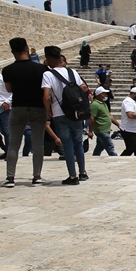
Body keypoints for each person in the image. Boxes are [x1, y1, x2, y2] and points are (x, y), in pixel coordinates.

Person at [3, 38, 50, 186]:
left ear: (12, 51)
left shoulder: (8, 70)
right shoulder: (41, 69)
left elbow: (9, 89)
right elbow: (45, 91)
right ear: (27, 49)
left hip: (18, 107)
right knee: (37, 144)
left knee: (13, 144)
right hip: (37, 108)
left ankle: (10, 178)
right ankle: (37, 176)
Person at [42, 46, 89, 185]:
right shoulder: (72, 72)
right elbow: (84, 88)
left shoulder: (48, 75)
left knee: (67, 145)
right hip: (76, 112)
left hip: (59, 113)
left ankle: (72, 176)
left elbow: (45, 96)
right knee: (78, 143)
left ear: (49, 59)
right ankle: (83, 172)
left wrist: (48, 110)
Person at [89, 87, 120, 156]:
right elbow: (92, 118)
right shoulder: (95, 105)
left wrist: (118, 124)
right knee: (109, 146)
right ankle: (115, 157)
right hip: (101, 130)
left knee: (100, 146)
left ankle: (95, 156)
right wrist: (90, 131)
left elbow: (109, 115)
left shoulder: (103, 104)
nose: (106, 95)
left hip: (106, 129)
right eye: (104, 93)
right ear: (99, 94)